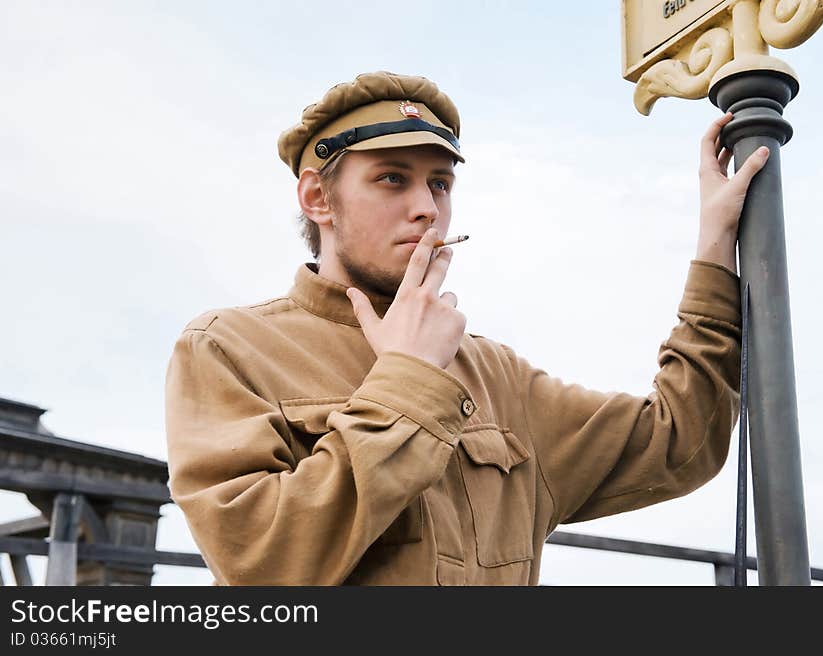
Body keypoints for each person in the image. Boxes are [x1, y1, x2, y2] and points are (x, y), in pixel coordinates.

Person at [164, 71, 769, 585]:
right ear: (317, 197)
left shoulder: (496, 373)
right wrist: (409, 380)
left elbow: (681, 439)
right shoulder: (228, 347)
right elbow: (260, 563)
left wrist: (715, 242)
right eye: (392, 178)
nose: (427, 206)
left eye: (440, 183)